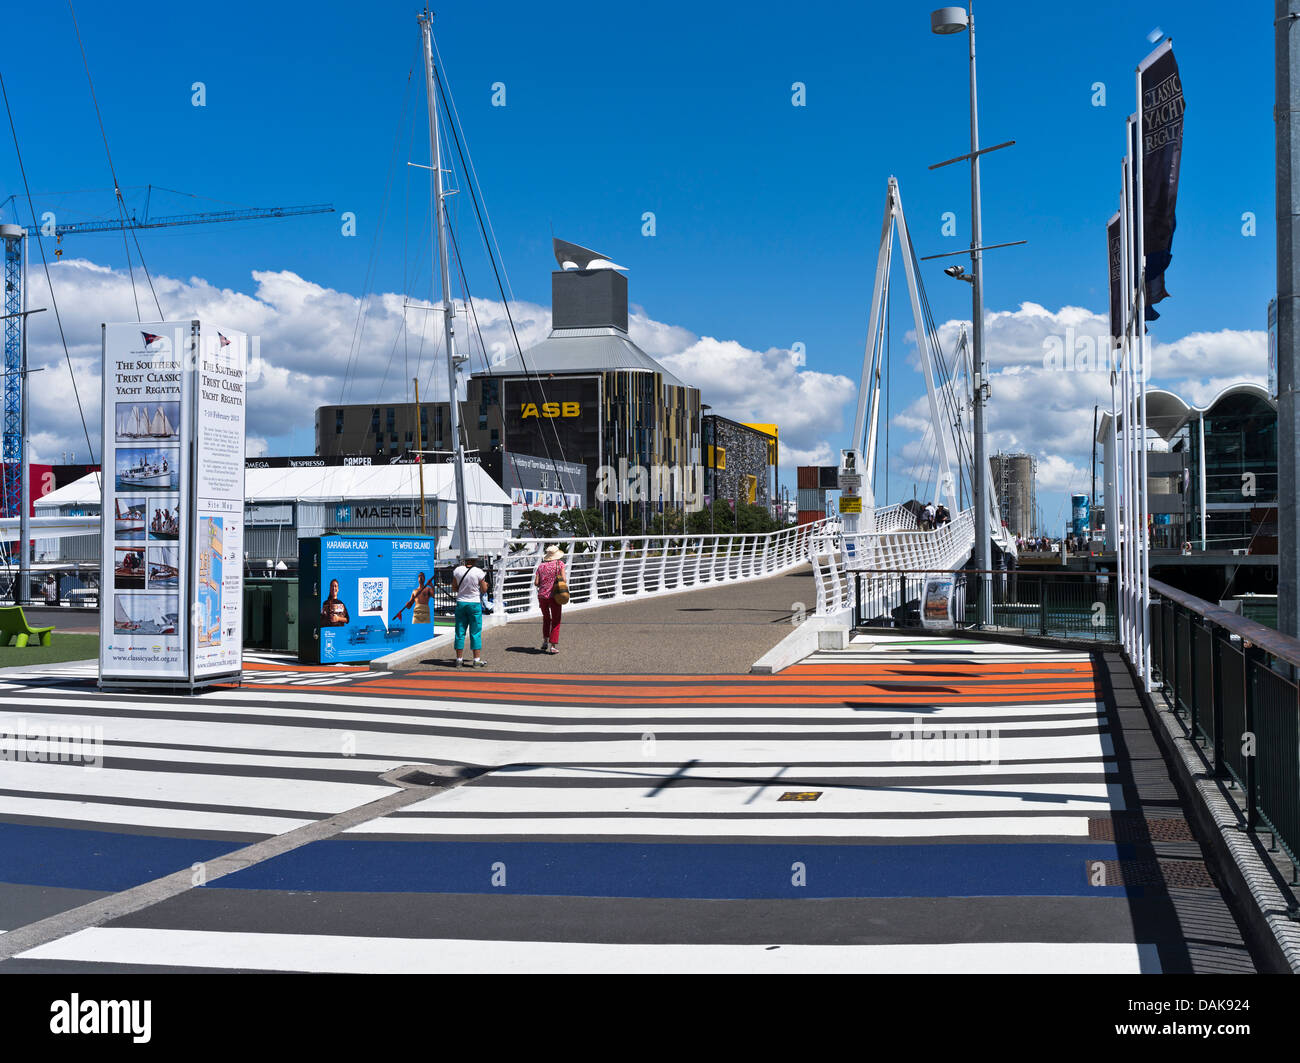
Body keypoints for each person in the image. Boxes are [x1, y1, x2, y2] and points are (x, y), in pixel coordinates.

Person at [451, 556, 489, 667]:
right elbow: (484, 589)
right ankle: (476, 660)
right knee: (475, 632)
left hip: (461, 603)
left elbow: (454, 588)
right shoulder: (478, 572)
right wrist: (485, 585)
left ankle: (459, 659)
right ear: (475, 560)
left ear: (465, 560)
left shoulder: (457, 571)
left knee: (459, 631)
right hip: (474, 604)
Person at [534, 544, 567, 655]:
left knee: (546, 618)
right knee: (556, 620)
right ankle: (552, 646)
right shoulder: (560, 564)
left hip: (542, 596)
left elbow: (536, 583)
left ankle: (545, 641)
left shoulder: (541, 566)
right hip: (555, 596)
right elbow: (564, 580)